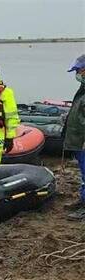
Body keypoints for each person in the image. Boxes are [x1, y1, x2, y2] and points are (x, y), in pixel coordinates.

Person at [65, 54, 85, 221]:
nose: (77, 74)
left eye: (78, 70)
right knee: (84, 174)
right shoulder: (83, 89)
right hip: (79, 140)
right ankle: (83, 199)